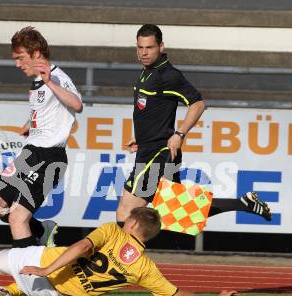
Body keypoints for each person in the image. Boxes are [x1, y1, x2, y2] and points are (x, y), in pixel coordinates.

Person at [0, 207, 237, 296]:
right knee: (27, 287)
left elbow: (80, 247)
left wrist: (49, 268)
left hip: (45, 265)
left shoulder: (112, 230)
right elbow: (176, 294)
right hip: (63, 295)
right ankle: (7, 292)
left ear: (133, 222)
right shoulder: (146, 268)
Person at [116, 24, 271, 226]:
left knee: (125, 212)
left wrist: (179, 134)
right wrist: (140, 136)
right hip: (151, 149)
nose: (144, 52)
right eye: (140, 47)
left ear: (161, 47)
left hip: (158, 154)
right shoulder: (148, 73)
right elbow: (151, 109)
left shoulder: (168, 75)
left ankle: (120, 258)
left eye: (150, 47)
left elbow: (198, 104)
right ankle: (244, 204)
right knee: (177, 213)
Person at [0, 26, 83, 248]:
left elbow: (77, 104)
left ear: (36, 53)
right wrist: (32, 124)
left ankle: (26, 279)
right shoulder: (39, 80)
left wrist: (50, 83)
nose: (17, 64)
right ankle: (40, 230)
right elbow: (48, 107)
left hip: (48, 157)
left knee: (17, 218)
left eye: (20, 58)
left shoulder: (55, 76)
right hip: (31, 153)